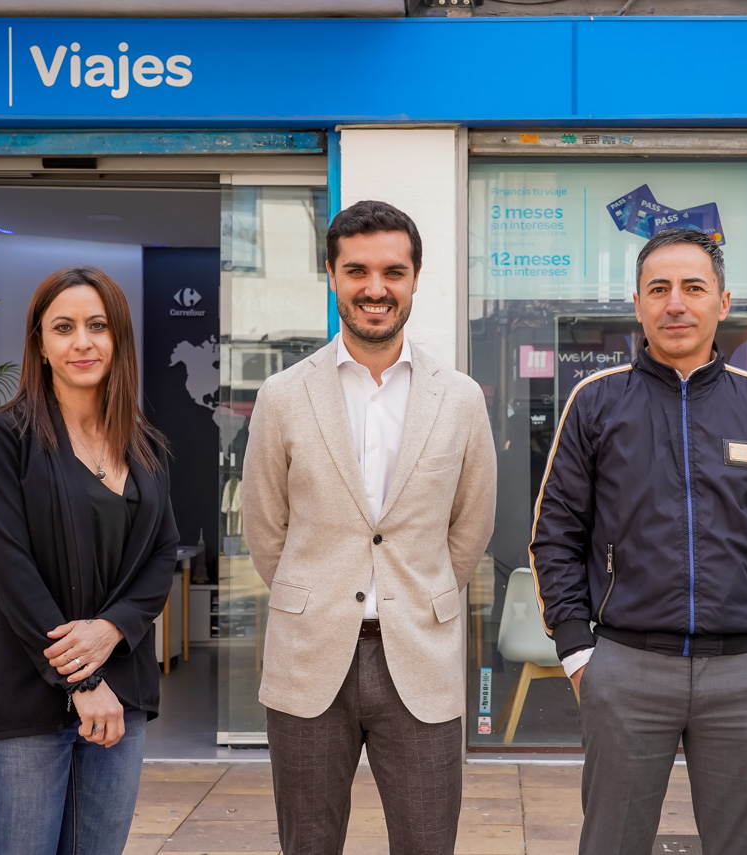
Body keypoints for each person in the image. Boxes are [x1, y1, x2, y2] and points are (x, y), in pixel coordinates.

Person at [530, 228, 747, 855]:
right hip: (626, 668)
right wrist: (579, 653)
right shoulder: (596, 403)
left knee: (742, 846)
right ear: (637, 304)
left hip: (746, 673)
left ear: (722, 301)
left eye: (693, 288)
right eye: (658, 289)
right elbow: (554, 535)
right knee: (611, 843)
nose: (675, 304)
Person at [242, 199, 496, 855]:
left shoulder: (461, 398)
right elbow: (266, 527)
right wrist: (318, 588)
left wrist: (419, 589)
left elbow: (470, 528)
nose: (375, 288)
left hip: (421, 653)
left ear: (415, 278)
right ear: (333, 276)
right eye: (357, 270)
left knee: (427, 840)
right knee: (309, 842)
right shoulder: (282, 396)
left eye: (392, 270)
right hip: (309, 651)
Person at [0, 266, 179, 855]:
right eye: (64, 327)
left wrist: (112, 630)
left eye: (98, 325)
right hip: (25, 703)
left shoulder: (145, 445)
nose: (82, 341)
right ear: (40, 342)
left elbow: (161, 557)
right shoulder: (4, 437)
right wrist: (83, 679)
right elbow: (10, 567)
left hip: (120, 701)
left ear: (119, 339)